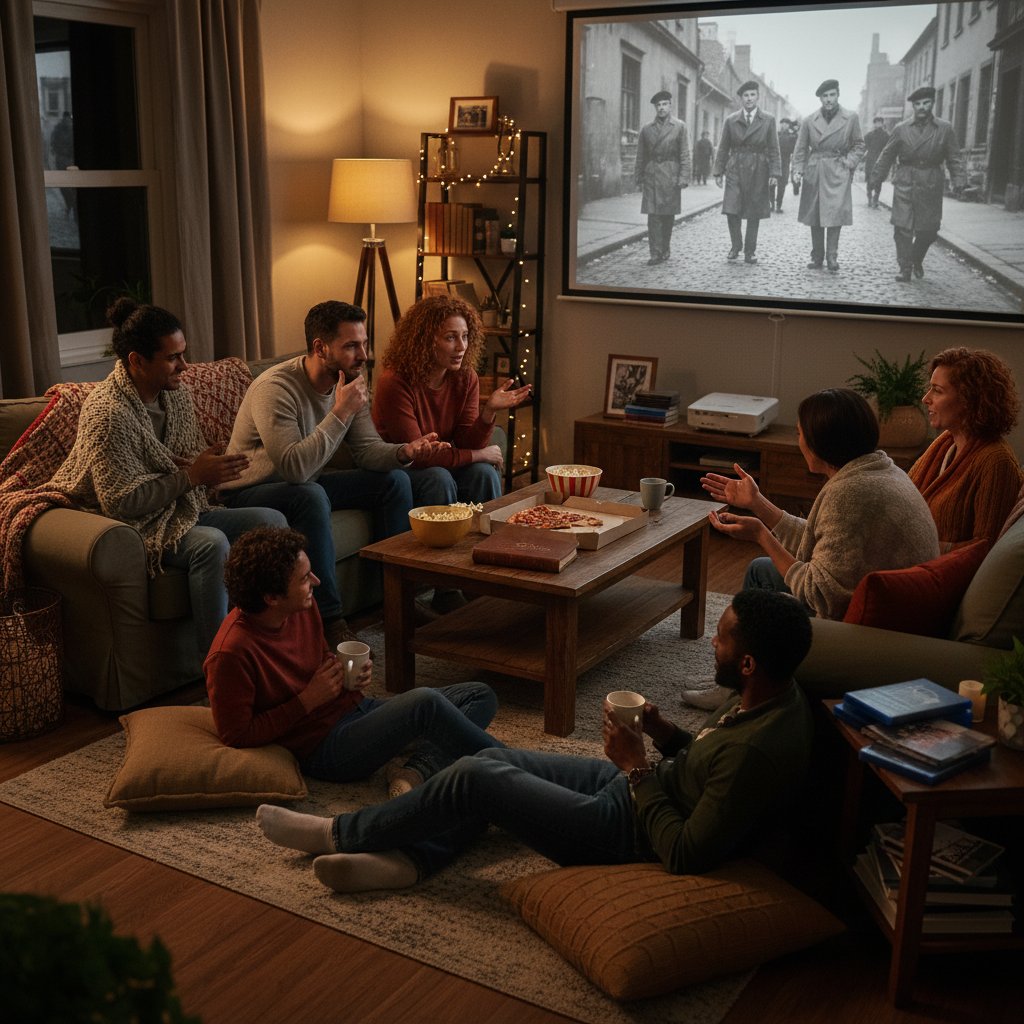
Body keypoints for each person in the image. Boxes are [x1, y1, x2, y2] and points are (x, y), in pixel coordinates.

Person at [255, 589, 815, 894]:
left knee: (479, 777)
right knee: (491, 757)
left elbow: (686, 853)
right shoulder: (768, 695)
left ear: (748, 663)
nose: (711, 642)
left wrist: (637, 769)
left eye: (721, 638)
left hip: (625, 832)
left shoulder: (754, 751)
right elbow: (703, 765)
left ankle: (337, 833)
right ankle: (409, 860)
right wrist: (665, 733)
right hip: (634, 790)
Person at [47, 299, 286, 663]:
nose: (185, 366)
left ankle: (270, 644)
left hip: (179, 507)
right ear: (137, 361)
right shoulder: (107, 413)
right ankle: (219, 666)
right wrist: (193, 475)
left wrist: (211, 472)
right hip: (132, 523)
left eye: (183, 354)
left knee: (272, 521)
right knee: (211, 545)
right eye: (173, 357)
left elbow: (188, 460)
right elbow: (120, 502)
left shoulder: (176, 397)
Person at [206, 526, 504, 798]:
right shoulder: (230, 653)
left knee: (479, 695)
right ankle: (514, 767)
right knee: (424, 703)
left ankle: (415, 771)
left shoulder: (302, 606)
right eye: (304, 578)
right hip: (325, 747)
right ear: (272, 597)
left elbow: (319, 659)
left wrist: (346, 675)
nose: (316, 581)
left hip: (354, 709)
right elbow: (236, 735)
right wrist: (306, 701)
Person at [221, 301, 446, 648]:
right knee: (311, 495)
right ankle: (329, 619)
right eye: (351, 346)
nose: (363, 355)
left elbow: (367, 450)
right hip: (252, 489)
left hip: (307, 480)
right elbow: (294, 468)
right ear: (320, 347)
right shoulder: (275, 388)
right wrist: (340, 411)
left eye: (364, 344)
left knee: (394, 481)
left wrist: (404, 452)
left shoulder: (350, 380)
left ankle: (398, 602)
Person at [701, 388, 938, 621]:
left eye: (799, 433)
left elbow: (818, 595)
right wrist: (758, 503)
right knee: (761, 568)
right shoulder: (883, 471)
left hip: (873, 625)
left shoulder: (849, 494)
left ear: (820, 443)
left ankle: (744, 644)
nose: (799, 441)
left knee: (759, 574)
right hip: (904, 607)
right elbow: (824, 542)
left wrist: (761, 535)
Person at [372, 295, 532, 509]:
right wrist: (478, 455)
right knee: (439, 478)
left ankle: (489, 529)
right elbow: (418, 456)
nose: (461, 346)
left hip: (439, 465)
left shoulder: (465, 377)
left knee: (483, 472)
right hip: (399, 470)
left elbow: (467, 442)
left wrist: (489, 411)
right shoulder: (394, 382)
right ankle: (443, 532)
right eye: (450, 338)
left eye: (465, 336)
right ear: (425, 340)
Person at [909, 348, 1023, 550]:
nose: (926, 398)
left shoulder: (996, 462)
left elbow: (983, 548)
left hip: (938, 567)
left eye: (937, 390)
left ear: (969, 400)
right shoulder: (945, 443)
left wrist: (917, 548)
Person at [869, 87, 965, 282]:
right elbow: (887, 155)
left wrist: (959, 180)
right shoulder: (901, 129)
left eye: (926, 103)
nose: (922, 107)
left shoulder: (944, 128)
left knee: (929, 230)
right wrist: (876, 178)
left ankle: (916, 258)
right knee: (902, 227)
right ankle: (905, 267)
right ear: (913, 106)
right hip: (906, 180)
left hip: (931, 182)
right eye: (918, 104)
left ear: (932, 103)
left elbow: (954, 157)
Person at [791, 80, 865, 273]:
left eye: (832, 95)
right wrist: (798, 170)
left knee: (835, 214)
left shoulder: (851, 118)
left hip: (837, 169)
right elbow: (800, 148)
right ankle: (817, 256)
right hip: (815, 169)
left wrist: (848, 163)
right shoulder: (809, 120)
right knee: (815, 215)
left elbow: (859, 144)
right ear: (820, 98)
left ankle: (832, 256)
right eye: (825, 96)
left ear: (838, 95)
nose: (829, 99)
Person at [712, 80, 780, 265]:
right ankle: (736, 245)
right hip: (735, 166)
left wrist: (774, 173)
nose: (749, 99)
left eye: (752, 95)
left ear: (757, 97)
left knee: (753, 211)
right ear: (741, 99)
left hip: (758, 168)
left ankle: (750, 251)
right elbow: (724, 147)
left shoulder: (768, 120)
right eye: (745, 96)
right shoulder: (731, 120)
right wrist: (718, 171)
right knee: (731, 208)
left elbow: (773, 148)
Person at [635, 90, 691, 265]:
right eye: (658, 105)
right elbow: (641, 155)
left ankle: (665, 247)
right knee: (653, 216)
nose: (661, 108)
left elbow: (684, 154)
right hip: (652, 175)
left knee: (667, 216)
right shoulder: (646, 129)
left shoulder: (679, 127)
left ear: (670, 105)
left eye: (664, 104)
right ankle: (655, 252)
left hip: (670, 175)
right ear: (655, 107)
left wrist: (683, 177)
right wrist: (638, 177)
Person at [770, 117, 797, 213]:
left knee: (782, 185)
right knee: (771, 184)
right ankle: (771, 204)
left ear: (789, 126)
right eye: (782, 123)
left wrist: (794, 130)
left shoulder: (792, 137)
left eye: (786, 124)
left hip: (785, 163)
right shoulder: (775, 135)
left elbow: (795, 148)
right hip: (774, 162)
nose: (783, 125)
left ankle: (778, 205)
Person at [862, 115, 890, 208]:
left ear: (882, 124)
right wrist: (861, 158)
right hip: (870, 161)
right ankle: (869, 199)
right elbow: (863, 147)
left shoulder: (886, 136)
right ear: (874, 124)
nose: (878, 124)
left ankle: (875, 200)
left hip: (881, 162)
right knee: (869, 181)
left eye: (880, 122)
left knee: (878, 181)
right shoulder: (869, 136)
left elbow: (889, 149)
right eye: (876, 122)